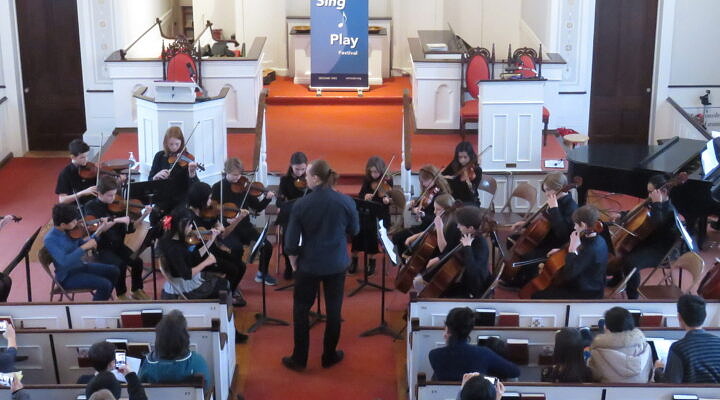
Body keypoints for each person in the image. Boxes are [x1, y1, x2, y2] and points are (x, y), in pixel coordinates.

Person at [281, 160, 360, 371]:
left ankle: (299, 359)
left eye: (307, 175)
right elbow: (355, 229)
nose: (304, 178)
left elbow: (290, 243)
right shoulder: (345, 201)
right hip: (336, 264)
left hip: (309, 265)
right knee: (334, 311)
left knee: (301, 310)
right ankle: (329, 356)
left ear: (316, 178)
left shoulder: (301, 204)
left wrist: (294, 261)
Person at [210, 157, 277, 286]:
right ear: (226, 172)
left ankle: (262, 273)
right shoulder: (218, 187)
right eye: (234, 175)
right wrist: (225, 220)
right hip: (227, 229)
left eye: (239, 174)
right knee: (237, 248)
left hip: (245, 227)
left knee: (266, 245)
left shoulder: (244, 187)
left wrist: (267, 199)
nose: (237, 178)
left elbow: (257, 208)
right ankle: (233, 278)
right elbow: (213, 211)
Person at [84, 176, 152, 300]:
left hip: (118, 245)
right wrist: (117, 220)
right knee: (120, 265)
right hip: (102, 248)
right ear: (99, 193)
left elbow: (131, 227)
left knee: (137, 262)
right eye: (110, 195)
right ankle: (121, 294)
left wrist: (143, 216)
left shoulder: (118, 206)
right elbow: (96, 230)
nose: (114, 198)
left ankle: (136, 290)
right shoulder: (91, 207)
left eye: (115, 194)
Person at [505, 172, 577, 287]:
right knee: (512, 240)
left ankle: (525, 281)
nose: (547, 194)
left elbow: (562, 234)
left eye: (548, 190)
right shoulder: (554, 200)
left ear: (559, 189)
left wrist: (554, 210)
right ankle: (515, 273)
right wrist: (526, 224)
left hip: (555, 244)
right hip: (542, 237)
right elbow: (542, 223)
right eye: (545, 190)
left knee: (528, 254)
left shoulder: (570, 207)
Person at [615, 174, 680, 299]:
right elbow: (638, 212)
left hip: (659, 249)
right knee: (621, 250)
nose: (648, 195)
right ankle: (617, 279)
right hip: (647, 240)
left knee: (630, 261)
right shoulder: (652, 202)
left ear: (664, 191)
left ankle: (632, 296)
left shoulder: (670, 212)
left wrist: (657, 205)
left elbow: (658, 227)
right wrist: (622, 215)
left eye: (651, 192)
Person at [43, 203, 119, 301]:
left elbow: (81, 243)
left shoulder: (71, 230)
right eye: (73, 221)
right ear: (62, 224)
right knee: (105, 284)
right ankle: (95, 311)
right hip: (67, 276)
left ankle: (102, 299)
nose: (76, 222)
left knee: (114, 270)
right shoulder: (50, 239)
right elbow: (65, 261)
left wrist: (98, 232)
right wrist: (84, 247)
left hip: (80, 266)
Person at [157, 207, 234, 302]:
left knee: (223, 283)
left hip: (183, 279)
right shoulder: (175, 249)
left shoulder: (170, 239)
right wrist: (206, 262)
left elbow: (192, 258)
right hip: (183, 287)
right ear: (181, 225)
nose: (192, 228)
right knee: (225, 286)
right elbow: (187, 274)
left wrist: (211, 239)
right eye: (190, 225)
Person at [531, 205, 608, 300]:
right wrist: (561, 250)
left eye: (576, 224)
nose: (574, 227)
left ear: (583, 225)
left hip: (586, 292)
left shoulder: (591, 249)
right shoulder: (597, 238)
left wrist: (571, 250)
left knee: (537, 296)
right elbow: (580, 253)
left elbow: (569, 274)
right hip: (587, 283)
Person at [188, 182, 244, 300]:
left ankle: (230, 292)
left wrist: (219, 227)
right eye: (208, 198)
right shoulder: (189, 218)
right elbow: (192, 246)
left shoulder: (208, 211)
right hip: (200, 255)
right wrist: (211, 235)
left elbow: (221, 231)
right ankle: (222, 297)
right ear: (200, 199)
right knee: (233, 269)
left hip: (212, 249)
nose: (211, 200)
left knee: (241, 265)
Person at [429, 307, 520, 381]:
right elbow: (515, 371)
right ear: (469, 329)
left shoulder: (434, 355)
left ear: (447, 328)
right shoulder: (483, 353)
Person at [421, 206, 491, 298]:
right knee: (429, 284)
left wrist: (467, 247)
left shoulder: (480, 244)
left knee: (439, 293)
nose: (458, 227)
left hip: (473, 289)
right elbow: (457, 255)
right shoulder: (469, 236)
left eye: (460, 224)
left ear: (470, 228)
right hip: (464, 281)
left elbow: (473, 272)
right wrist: (439, 258)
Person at [139, 310, 212, 392]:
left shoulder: (148, 364)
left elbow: (139, 387)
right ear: (184, 336)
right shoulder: (196, 361)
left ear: (159, 337)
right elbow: (205, 388)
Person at [655, 294, 720, 383]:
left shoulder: (678, 348)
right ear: (705, 316)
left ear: (679, 317)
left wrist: (658, 369)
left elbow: (670, 384)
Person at [392, 164, 451, 255]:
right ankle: (404, 259)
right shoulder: (428, 192)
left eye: (425, 181)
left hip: (430, 229)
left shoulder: (440, 196)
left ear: (434, 178)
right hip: (422, 225)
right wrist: (414, 204)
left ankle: (405, 260)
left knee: (398, 238)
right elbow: (424, 206)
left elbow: (437, 219)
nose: (423, 184)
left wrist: (422, 214)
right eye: (421, 181)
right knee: (397, 236)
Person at [350, 156, 392, 275]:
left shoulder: (387, 180)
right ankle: (354, 259)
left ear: (381, 170)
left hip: (381, 214)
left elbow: (391, 197)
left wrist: (387, 200)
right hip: (367, 212)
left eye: (376, 172)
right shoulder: (367, 179)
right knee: (357, 230)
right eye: (372, 171)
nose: (374, 174)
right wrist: (365, 196)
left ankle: (372, 261)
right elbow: (361, 194)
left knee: (372, 232)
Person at [588, 306, 653, 383]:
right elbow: (650, 374)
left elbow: (594, 376)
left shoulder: (598, 352)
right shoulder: (645, 347)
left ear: (607, 327)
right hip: (641, 394)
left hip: (608, 394)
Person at [148, 126, 199, 216]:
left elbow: (195, 186)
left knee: (177, 216)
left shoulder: (187, 159)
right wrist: (156, 177)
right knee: (154, 216)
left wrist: (192, 174)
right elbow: (149, 180)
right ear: (166, 143)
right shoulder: (159, 156)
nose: (174, 147)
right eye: (171, 144)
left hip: (180, 198)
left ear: (182, 143)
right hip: (163, 196)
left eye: (177, 144)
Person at [276, 152, 311, 280]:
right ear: (291, 166)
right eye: (297, 169)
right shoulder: (285, 180)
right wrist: (283, 204)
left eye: (303, 169)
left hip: (307, 215)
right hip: (291, 215)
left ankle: (305, 264)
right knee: (288, 238)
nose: (300, 172)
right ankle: (289, 265)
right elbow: (279, 201)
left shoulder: (310, 179)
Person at [56, 139, 98, 205]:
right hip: (76, 207)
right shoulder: (65, 173)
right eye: (82, 157)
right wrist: (82, 193)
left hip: (93, 203)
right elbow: (62, 200)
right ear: (72, 157)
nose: (86, 160)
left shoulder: (91, 168)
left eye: (87, 156)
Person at [442, 141, 483, 206]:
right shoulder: (454, 165)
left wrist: (468, 180)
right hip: (454, 200)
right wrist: (447, 178)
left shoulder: (477, 170)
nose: (462, 160)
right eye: (460, 157)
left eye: (465, 157)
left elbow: (472, 191)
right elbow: (442, 175)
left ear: (471, 156)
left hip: (470, 201)